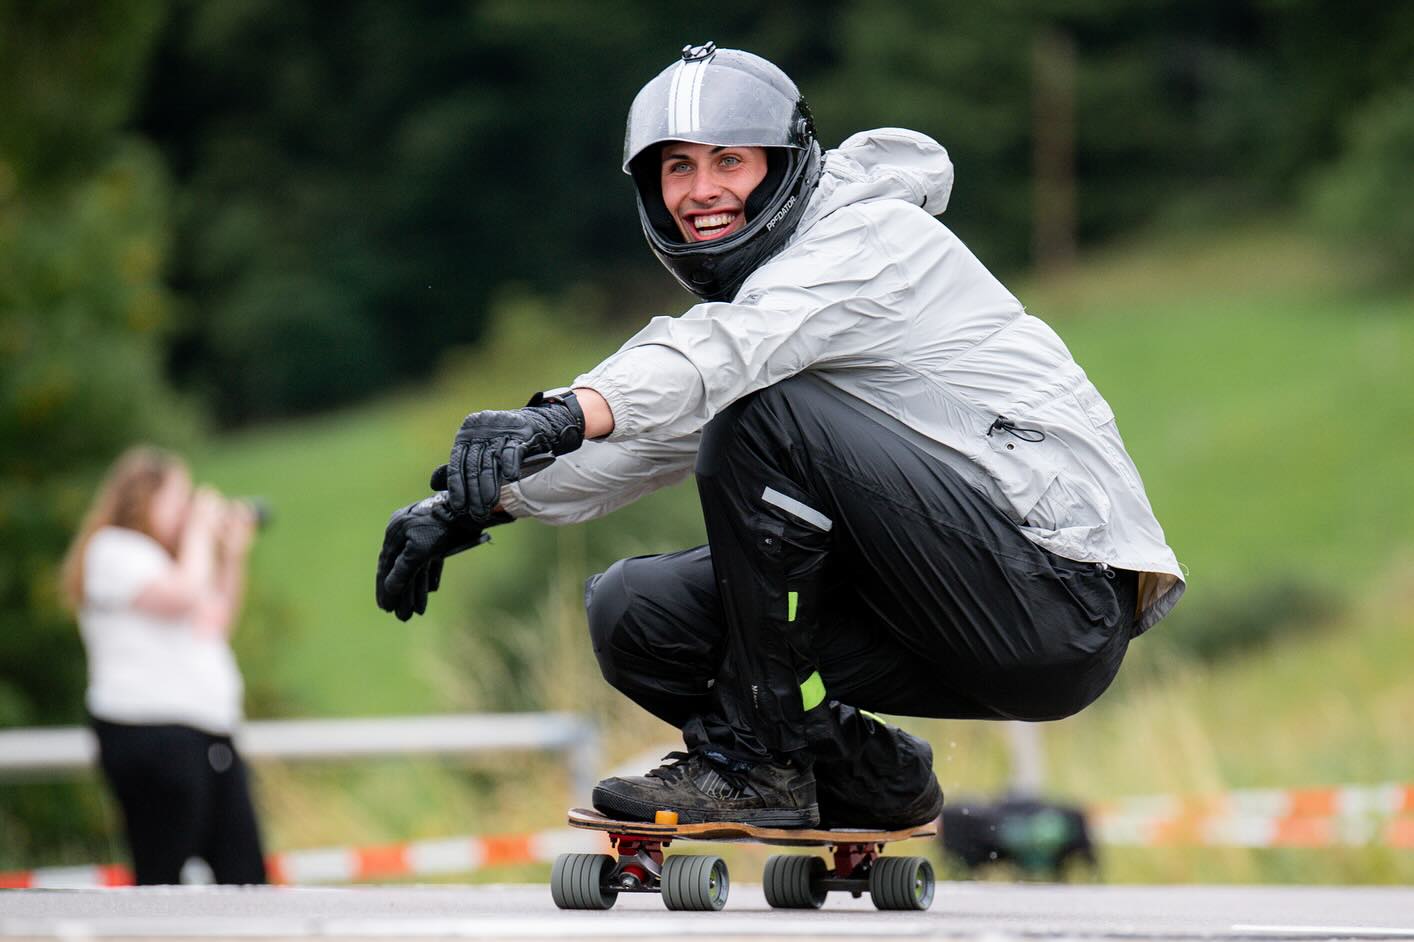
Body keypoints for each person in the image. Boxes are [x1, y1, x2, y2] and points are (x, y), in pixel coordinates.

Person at [375, 43, 1184, 830]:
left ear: (785, 164)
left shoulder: (866, 243)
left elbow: (718, 359)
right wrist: (478, 504)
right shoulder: (774, 306)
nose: (701, 191)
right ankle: (863, 772)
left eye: (730, 161)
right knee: (635, 613)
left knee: (764, 413)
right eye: (677, 167)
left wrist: (558, 413)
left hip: (1049, 597)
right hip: (928, 603)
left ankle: (753, 763)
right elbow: (664, 427)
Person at [60, 445, 267, 884]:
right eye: (179, 499)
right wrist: (200, 531)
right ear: (143, 498)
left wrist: (231, 556)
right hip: (150, 734)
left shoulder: (168, 561)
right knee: (162, 876)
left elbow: (214, 620)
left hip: (207, 732)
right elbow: (182, 595)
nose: (186, 511)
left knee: (245, 875)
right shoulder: (113, 550)